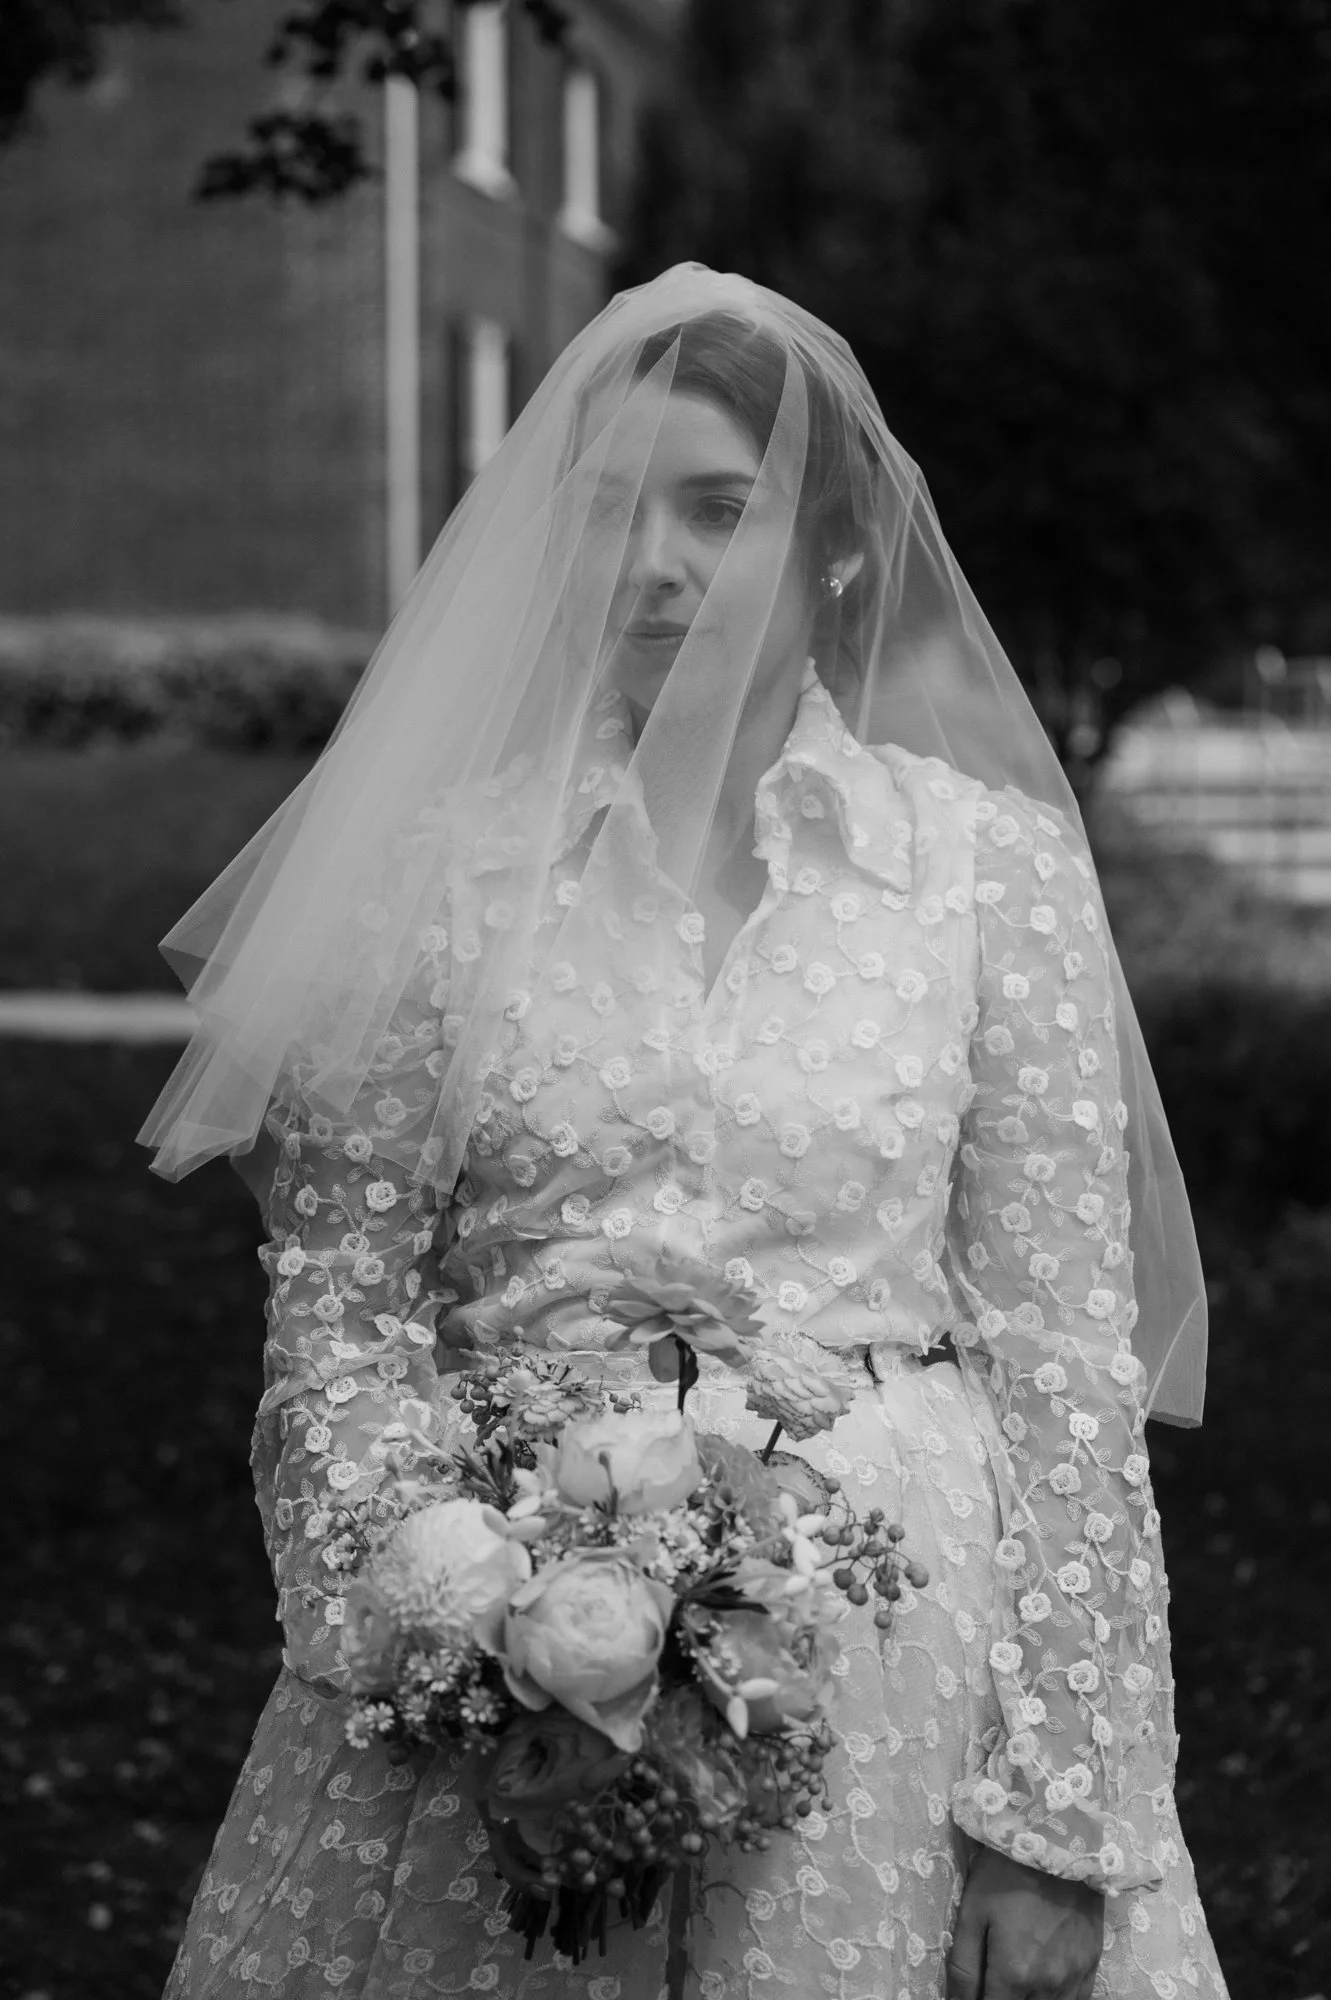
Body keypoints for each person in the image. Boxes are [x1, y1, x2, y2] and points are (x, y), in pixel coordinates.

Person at [140, 265, 1226, 1999]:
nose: (647, 564)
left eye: (717, 511)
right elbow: (339, 1313)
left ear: (838, 550)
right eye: (603, 514)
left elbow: (1064, 1360)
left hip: (895, 1665)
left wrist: (1055, 1814)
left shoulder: (984, 876)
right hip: (496, 1679)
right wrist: (437, 1630)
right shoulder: (434, 884)